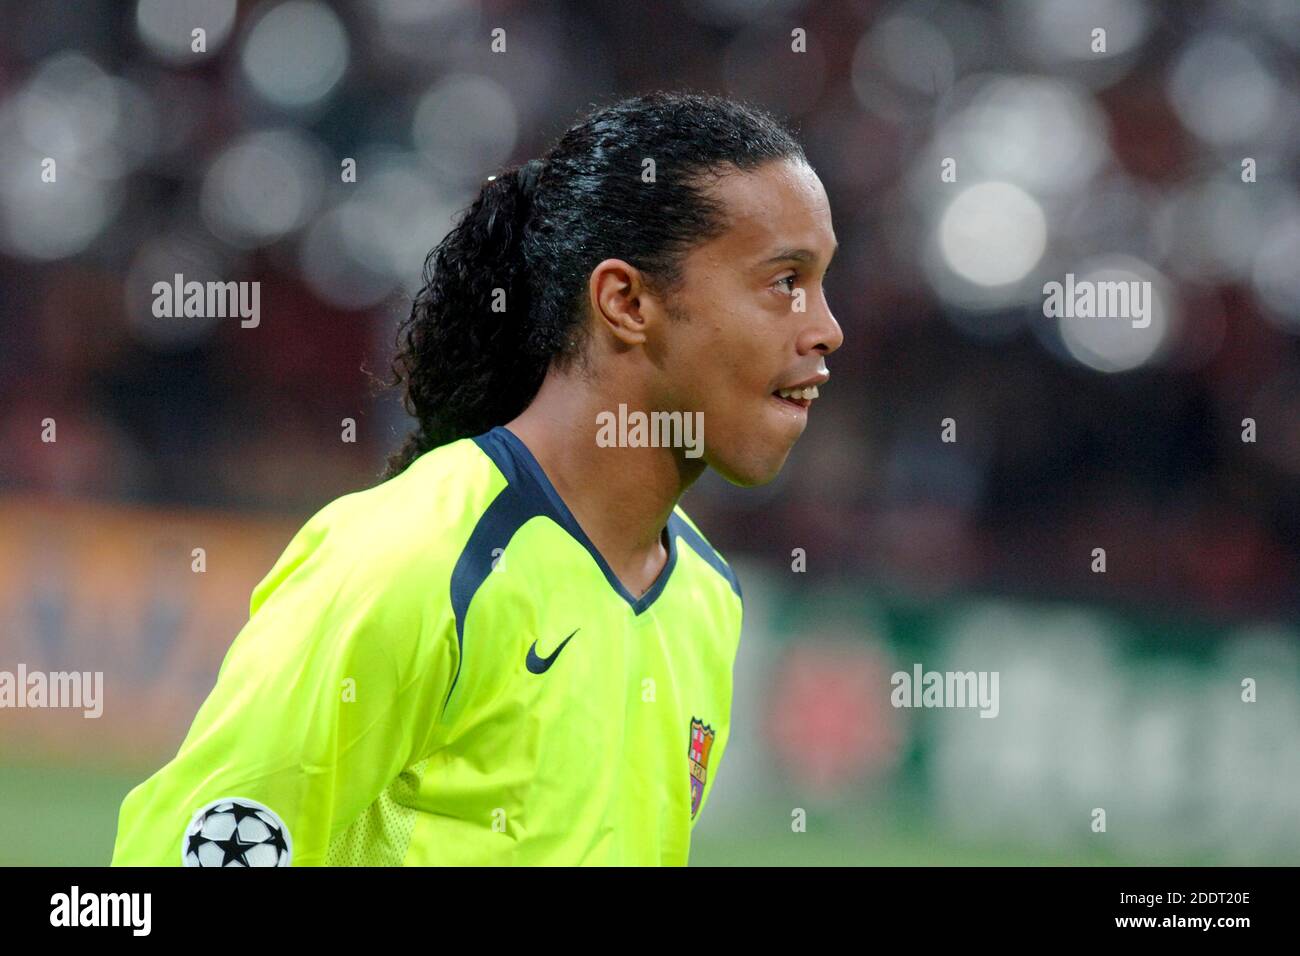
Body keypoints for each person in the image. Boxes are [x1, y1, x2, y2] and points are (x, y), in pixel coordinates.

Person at [111, 91, 843, 866]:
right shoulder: (415, 559)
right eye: (785, 281)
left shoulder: (706, 595)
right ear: (627, 302)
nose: (826, 328)